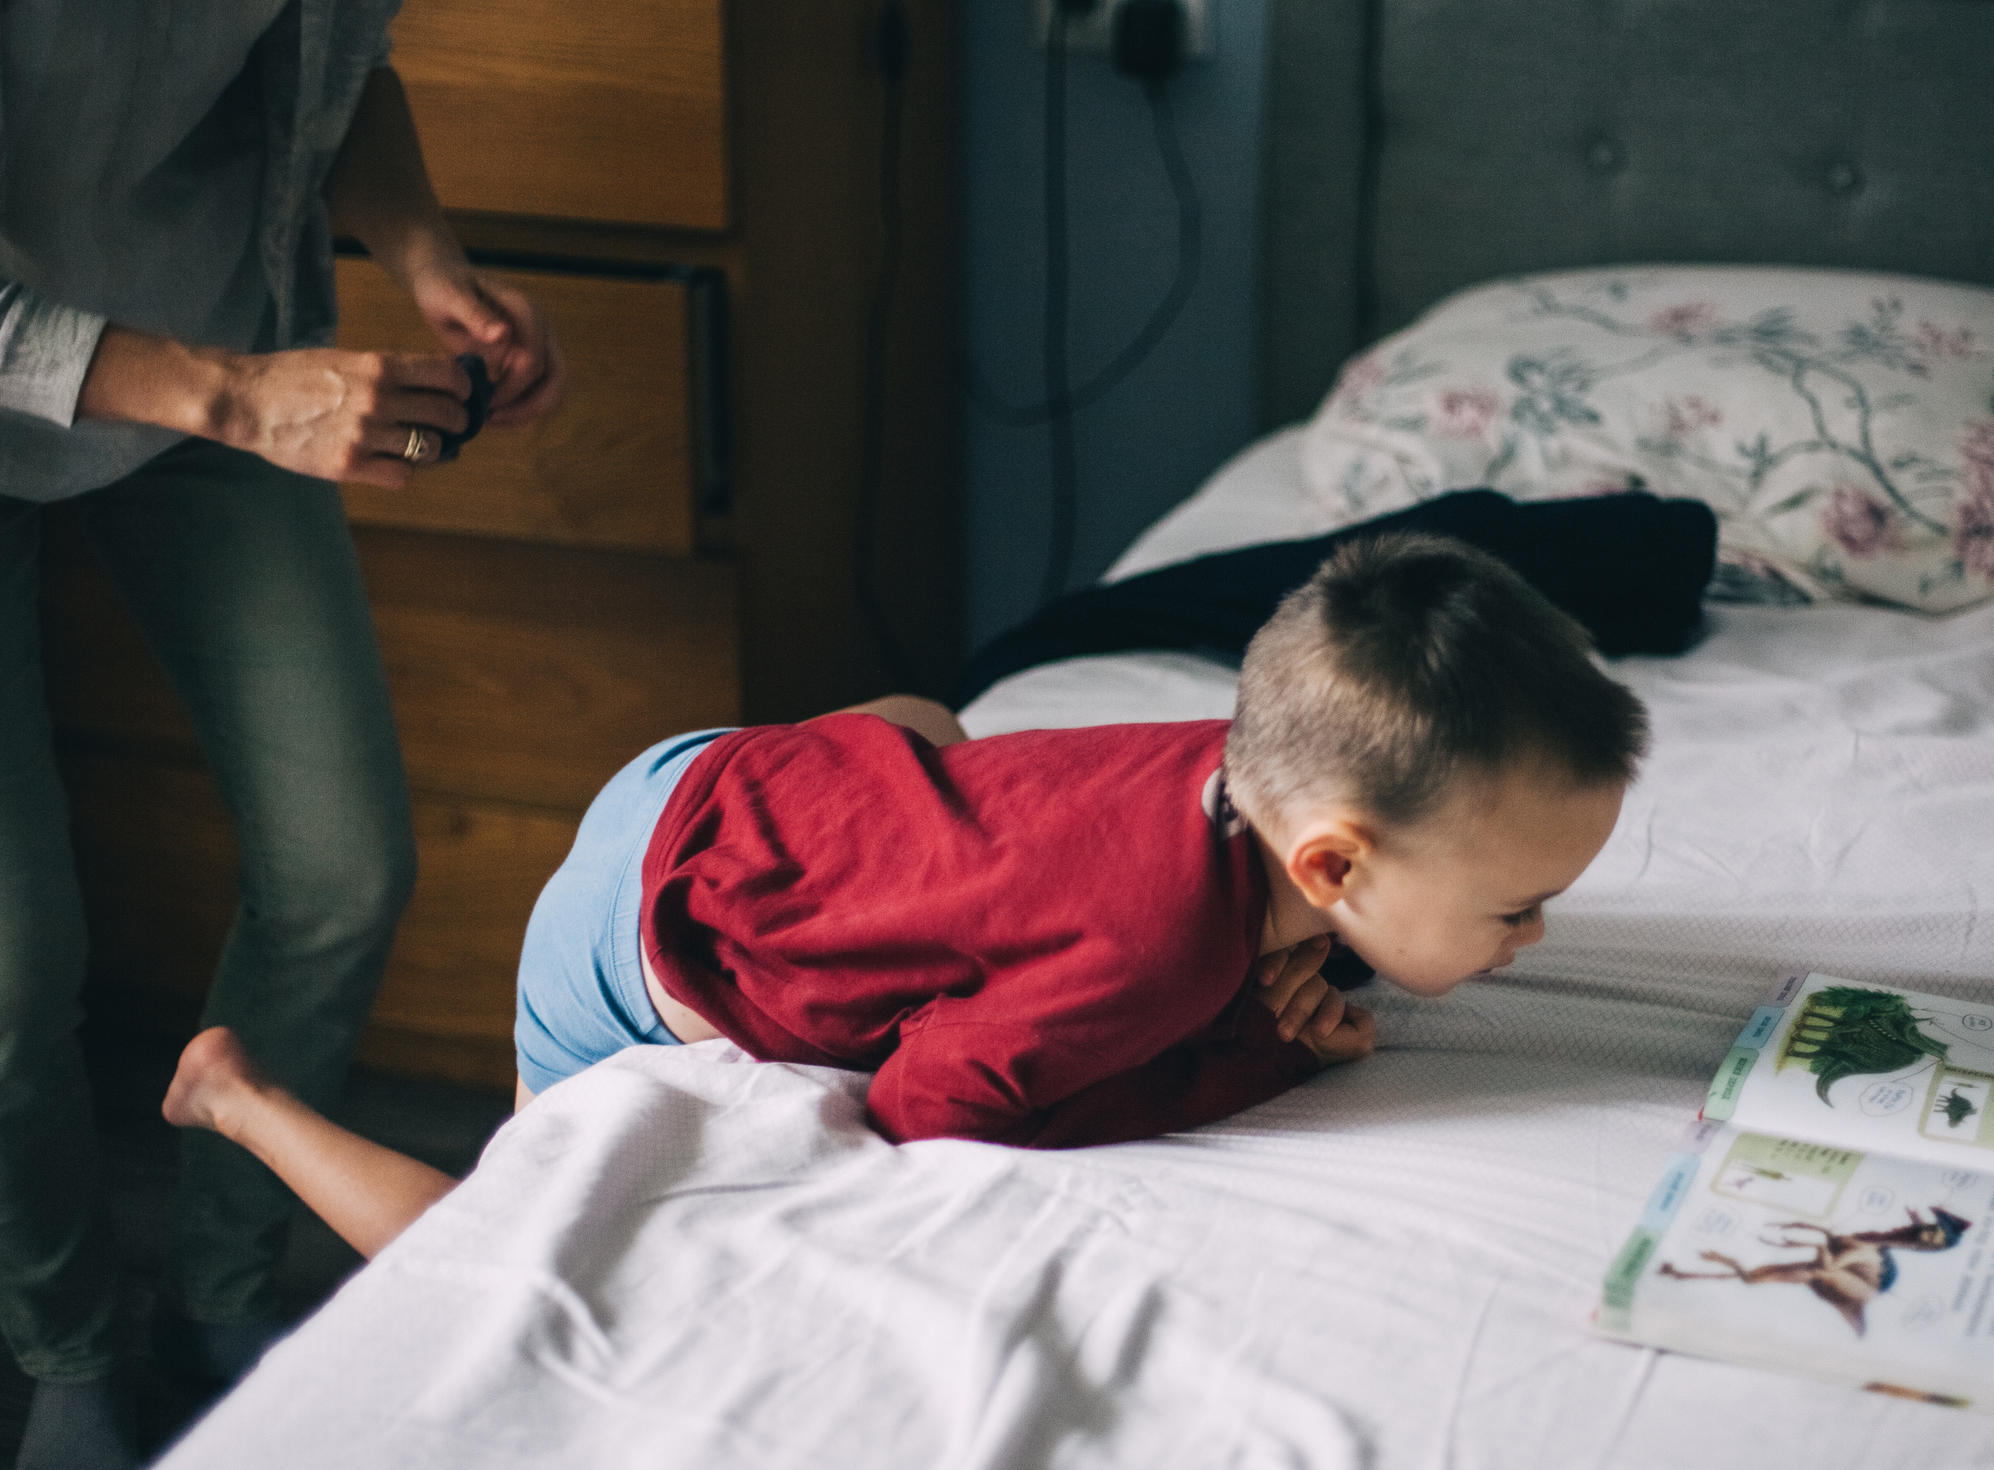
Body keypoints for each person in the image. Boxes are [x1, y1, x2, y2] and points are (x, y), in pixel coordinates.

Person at [160, 534, 1649, 1250]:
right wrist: (1251, 1051)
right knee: (513, 1246)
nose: (1533, 936)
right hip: (640, 938)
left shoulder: (1234, 755)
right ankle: (242, 1096)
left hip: (729, 775)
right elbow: (927, 1109)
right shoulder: (1161, 962)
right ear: (1331, 867)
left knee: (941, 737)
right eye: (1513, 907)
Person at [0, 0, 564, 1470]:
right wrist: (237, 399)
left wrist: (431, 259)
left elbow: (326, 75)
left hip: (211, 347)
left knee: (341, 868)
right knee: (16, 963)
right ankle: (66, 1354)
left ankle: (223, 1301)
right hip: (142, 378)